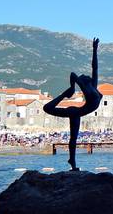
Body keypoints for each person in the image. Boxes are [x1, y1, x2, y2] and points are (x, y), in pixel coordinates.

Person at [43, 38, 103, 171]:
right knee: (46, 108)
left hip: (77, 112)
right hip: (74, 112)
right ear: (83, 80)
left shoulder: (93, 85)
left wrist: (94, 49)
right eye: (84, 75)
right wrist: (72, 87)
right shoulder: (87, 88)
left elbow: (95, 67)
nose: (87, 75)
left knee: (73, 138)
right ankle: (64, 94)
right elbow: (73, 74)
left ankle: (72, 162)